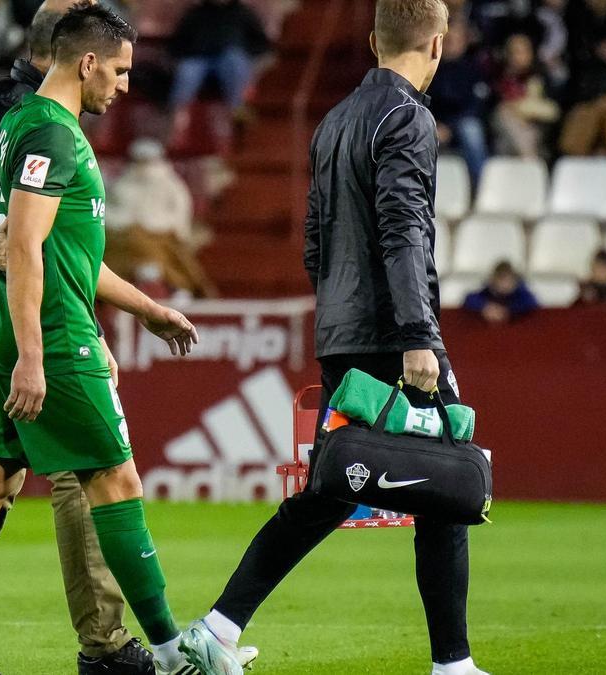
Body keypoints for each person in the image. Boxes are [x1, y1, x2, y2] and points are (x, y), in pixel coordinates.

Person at [0, 4, 238, 675]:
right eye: (119, 70)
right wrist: (33, 355)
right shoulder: (54, 135)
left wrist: (147, 308)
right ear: (86, 62)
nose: (124, 84)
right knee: (114, 480)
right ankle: (171, 653)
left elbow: (61, 249)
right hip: (52, 331)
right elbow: (25, 246)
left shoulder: (17, 121)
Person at [178, 2, 490, 674]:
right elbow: (404, 230)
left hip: (342, 330)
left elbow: (315, 241)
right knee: (448, 483)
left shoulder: (334, 120)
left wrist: (339, 317)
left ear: (375, 41)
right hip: (394, 332)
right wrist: (417, 334)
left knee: (330, 487)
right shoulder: (408, 117)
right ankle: (453, 664)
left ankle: (218, 627)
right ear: (438, 45)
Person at [0, 5, 150, 672]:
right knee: (18, 479)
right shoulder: (14, 113)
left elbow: (59, 247)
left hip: (41, 316)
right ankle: (95, 645)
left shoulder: (49, 114)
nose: (120, 79)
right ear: (75, 53)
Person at [105, 138, 215, 297]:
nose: (144, 166)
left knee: (160, 250)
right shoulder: (120, 185)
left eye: (148, 161)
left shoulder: (172, 186)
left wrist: (153, 227)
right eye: (139, 161)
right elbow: (107, 212)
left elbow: (179, 216)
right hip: (122, 237)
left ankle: (177, 286)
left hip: (161, 237)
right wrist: (128, 225)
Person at [167, 0, 271, 115]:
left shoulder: (243, 13)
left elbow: (261, 43)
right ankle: (178, 114)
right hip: (199, 59)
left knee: (236, 63)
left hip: (229, 60)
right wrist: (187, 53)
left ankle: (237, 113)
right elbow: (178, 42)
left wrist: (246, 53)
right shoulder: (196, 14)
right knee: (187, 70)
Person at [428, 18, 489, 181]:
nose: (451, 44)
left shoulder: (475, 69)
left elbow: (477, 105)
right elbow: (420, 102)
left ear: (465, 41)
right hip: (436, 123)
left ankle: (481, 185)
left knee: (471, 129)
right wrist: (433, 124)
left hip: (462, 123)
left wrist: (451, 127)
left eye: (456, 40)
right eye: (447, 40)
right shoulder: (428, 69)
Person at [490, 32, 560, 158]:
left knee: (528, 130)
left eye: (524, 52)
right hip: (506, 134)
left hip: (536, 130)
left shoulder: (540, 77)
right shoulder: (498, 77)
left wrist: (523, 108)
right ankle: (529, 159)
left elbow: (553, 110)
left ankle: (529, 158)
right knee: (505, 114)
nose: (520, 57)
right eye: (516, 52)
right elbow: (497, 109)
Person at [462, 260, 539, 323]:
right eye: (501, 279)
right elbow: (469, 298)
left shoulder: (522, 294)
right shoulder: (487, 292)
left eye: (508, 279)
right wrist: (485, 307)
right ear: (493, 280)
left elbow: (531, 302)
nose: (504, 284)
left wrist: (506, 311)